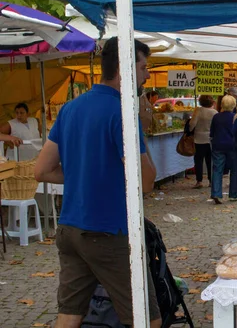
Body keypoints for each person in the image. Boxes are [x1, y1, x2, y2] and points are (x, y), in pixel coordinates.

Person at [33, 37, 161, 328]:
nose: (147, 74)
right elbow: (146, 182)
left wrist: (84, 174)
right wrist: (141, 124)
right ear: (124, 69)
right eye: (143, 67)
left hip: (71, 228)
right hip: (108, 231)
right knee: (147, 318)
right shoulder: (123, 112)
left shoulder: (70, 108)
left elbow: (42, 170)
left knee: (69, 315)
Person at [209, 95, 237, 205]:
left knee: (217, 169)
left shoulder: (216, 117)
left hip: (218, 145)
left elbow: (212, 132)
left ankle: (216, 193)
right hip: (233, 146)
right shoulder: (236, 117)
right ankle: (233, 194)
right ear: (234, 105)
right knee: (235, 170)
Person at [190, 95, 217, 189]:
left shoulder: (198, 110)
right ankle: (210, 180)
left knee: (198, 160)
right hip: (210, 139)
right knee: (210, 161)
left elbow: (192, 124)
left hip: (199, 139)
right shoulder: (214, 112)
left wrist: (190, 130)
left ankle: (199, 181)